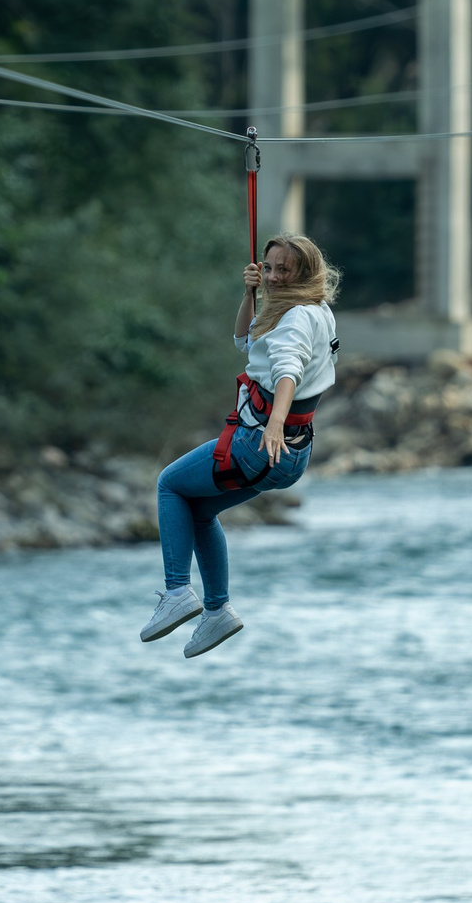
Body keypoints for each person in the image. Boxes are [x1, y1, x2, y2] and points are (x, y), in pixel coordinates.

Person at [142, 234, 340, 658]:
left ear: (304, 274)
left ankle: (177, 591)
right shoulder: (317, 311)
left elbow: (287, 370)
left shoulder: (295, 319)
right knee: (199, 512)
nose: (272, 277)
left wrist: (274, 423)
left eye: (283, 270)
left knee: (170, 485)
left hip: (259, 445)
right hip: (292, 457)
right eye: (268, 268)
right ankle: (217, 612)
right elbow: (243, 341)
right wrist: (249, 296)